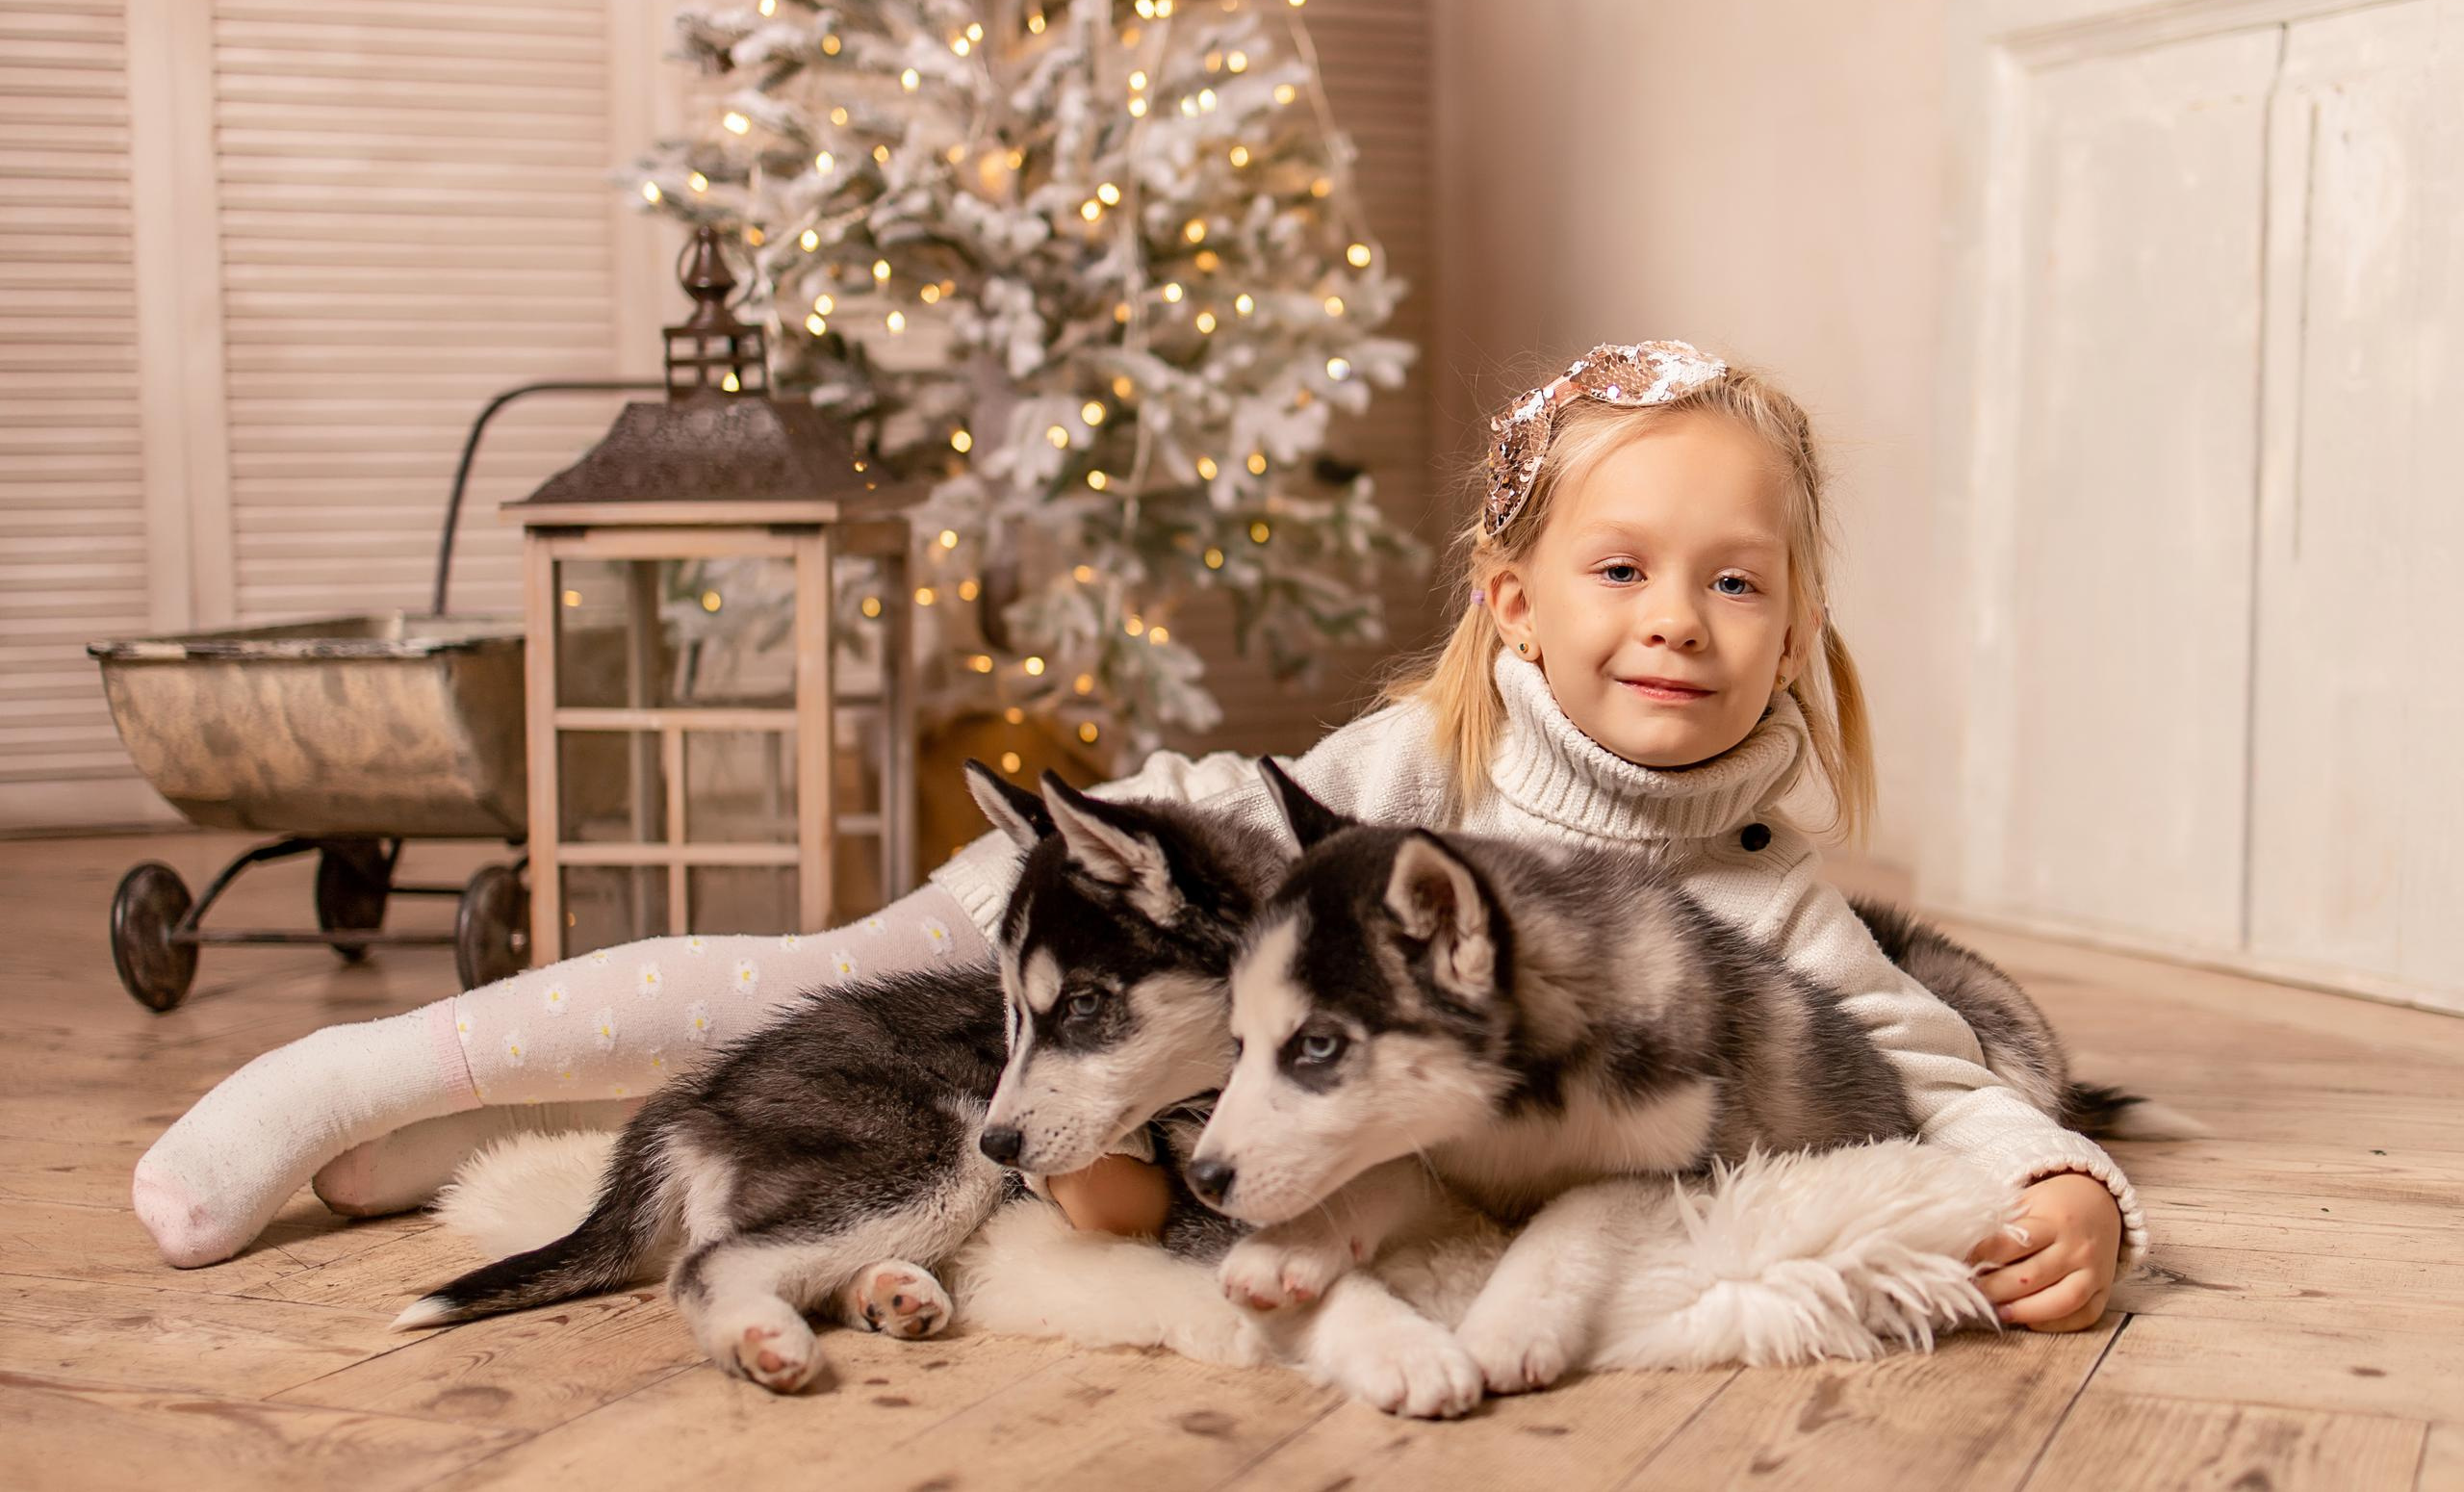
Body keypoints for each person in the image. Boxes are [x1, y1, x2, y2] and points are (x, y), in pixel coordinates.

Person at [133, 341, 2131, 1332]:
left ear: (1794, 615)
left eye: (1735, 581)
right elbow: (1209, 947)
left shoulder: (1763, 875)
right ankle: (361, 1070)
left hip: (1190, 1052)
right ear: (1512, 597)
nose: (1676, 624)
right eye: (1619, 567)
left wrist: (2056, 1184)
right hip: (1117, 881)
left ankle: (413, 1158)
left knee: (878, 1113)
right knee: (807, 990)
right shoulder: (1405, 778)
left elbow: (1927, 1074)